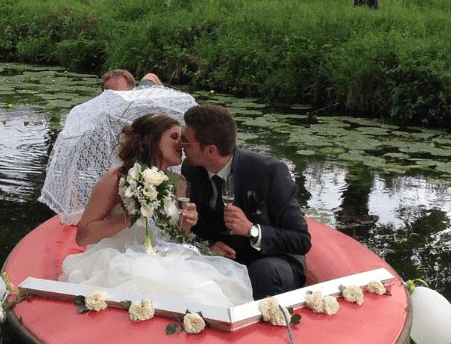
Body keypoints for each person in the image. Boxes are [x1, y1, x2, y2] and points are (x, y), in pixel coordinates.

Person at [61, 113, 254, 308]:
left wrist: (185, 224)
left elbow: (177, 237)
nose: (182, 144)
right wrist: (134, 214)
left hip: (167, 259)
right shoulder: (117, 178)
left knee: (205, 293)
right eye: (174, 137)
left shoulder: (180, 182)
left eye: (182, 138)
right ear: (152, 141)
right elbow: (83, 236)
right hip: (120, 259)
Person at [180, 104, 310, 299]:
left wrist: (252, 229)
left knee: (261, 273)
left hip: (269, 260)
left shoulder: (269, 172)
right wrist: (209, 246)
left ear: (210, 150)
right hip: (223, 260)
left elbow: (301, 240)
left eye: (186, 142)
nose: (181, 146)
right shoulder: (191, 170)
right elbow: (197, 228)